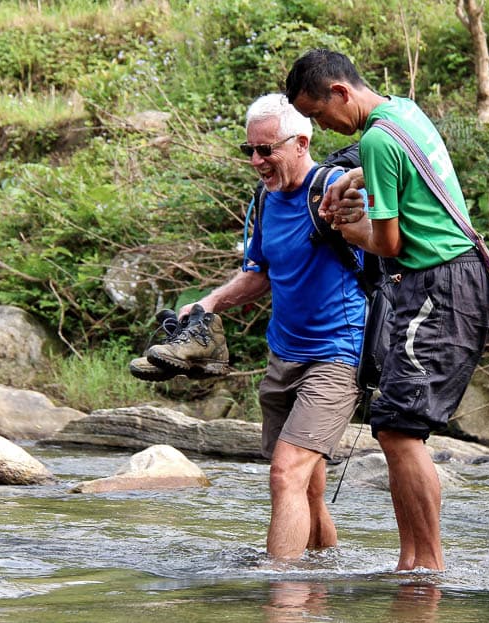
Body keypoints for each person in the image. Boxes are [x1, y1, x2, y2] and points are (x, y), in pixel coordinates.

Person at [286, 49, 489, 570]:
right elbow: (392, 162)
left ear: (340, 93)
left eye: (316, 114)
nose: (322, 126)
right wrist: (347, 181)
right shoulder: (401, 112)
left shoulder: (377, 140)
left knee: (400, 429)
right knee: (394, 425)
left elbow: (387, 242)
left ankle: (425, 565)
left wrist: (341, 226)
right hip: (452, 282)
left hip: (437, 287)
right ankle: (415, 561)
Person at [159, 93, 366, 561]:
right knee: (309, 487)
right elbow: (260, 272)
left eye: (266, 149)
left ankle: (281, 595)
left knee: (285, 473)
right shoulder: (264, 201)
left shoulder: (336, 188)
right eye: (249, 150)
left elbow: (387, 243)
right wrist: (209, 302)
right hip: (284, 356)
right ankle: (319, 586)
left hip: (339, 352)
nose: (257, 160)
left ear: (301, 142)